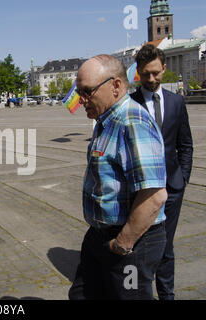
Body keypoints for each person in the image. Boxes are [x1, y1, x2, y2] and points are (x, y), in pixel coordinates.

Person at [68, 55, 168, 300]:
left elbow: (154, 196)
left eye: (87, 91)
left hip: (131, 243)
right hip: (100, 236)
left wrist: (122, 244)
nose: (81, 100)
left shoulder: (132, 122)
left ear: (115, 86)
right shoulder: (107, 121)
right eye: (79, 92)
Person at [131, 45, 193, 300]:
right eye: (146, 74)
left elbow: (185, 145)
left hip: (172, 190)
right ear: (138, 73)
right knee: (141, 245)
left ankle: (167, 295)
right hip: (142, 192)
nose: (152, 79)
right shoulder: (130, 104)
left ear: (164, 69)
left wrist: (182, 180)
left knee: (166, 246)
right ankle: (139, 291)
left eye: (156, 73)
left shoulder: (177, 102)